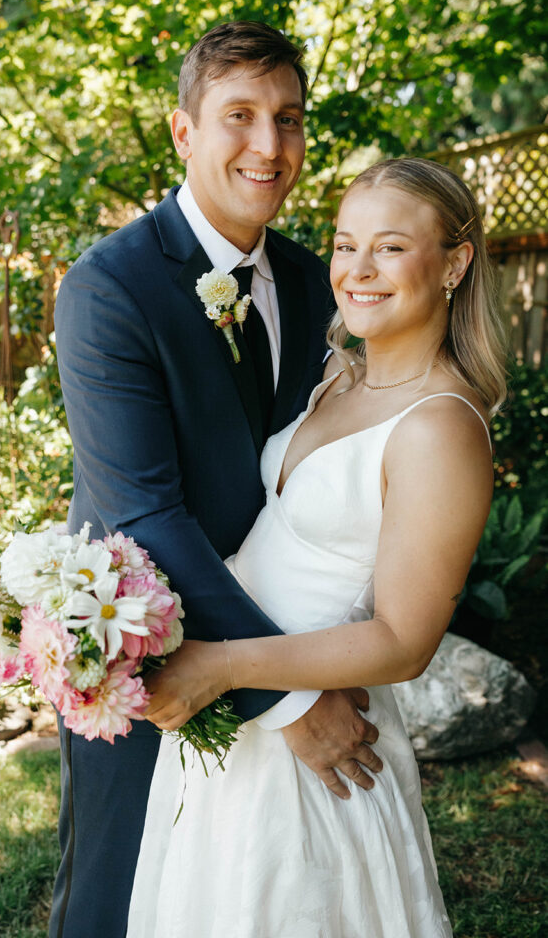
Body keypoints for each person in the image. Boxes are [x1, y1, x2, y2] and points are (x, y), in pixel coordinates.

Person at [53, 21, 384, 938]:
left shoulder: (320, 283)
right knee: (122, 900)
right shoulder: (108, 288)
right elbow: (145, 512)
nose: (269, 146)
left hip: (293, 634)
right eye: (238, 115)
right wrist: (292, 701)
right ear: (183, 131)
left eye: (289, 118)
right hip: (155, 660)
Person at [129, 157, 507, 937]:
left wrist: (225, 665)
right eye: (343, 244)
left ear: (454, 263)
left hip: (317, 745)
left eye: (390, 247)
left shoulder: (440, 427)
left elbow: (403, 642)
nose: (356, 270)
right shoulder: (336, 377)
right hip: (244, 722)